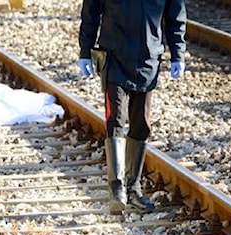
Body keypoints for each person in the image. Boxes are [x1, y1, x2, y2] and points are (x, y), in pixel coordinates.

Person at [77, 0, 187, 214]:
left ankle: (133, 188)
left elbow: (175, 16)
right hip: (114, 57)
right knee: (115, 120)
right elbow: (90, 12)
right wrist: (84, 51)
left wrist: (178, 54)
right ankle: (116, 188)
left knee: (141, 124)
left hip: (148, 60)